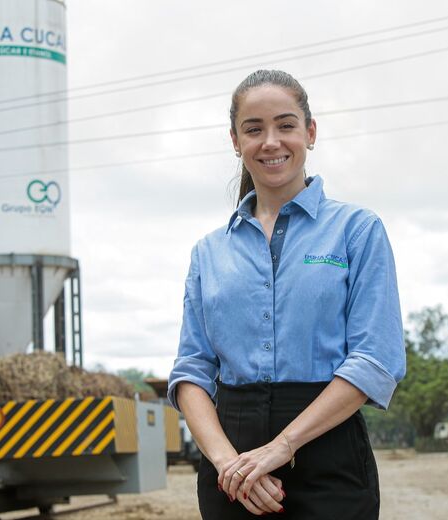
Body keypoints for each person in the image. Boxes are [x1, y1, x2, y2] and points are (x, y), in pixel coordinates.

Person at [167, 70, 406, 519]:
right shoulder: (208, 253)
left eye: (286, 125)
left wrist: (280, 447)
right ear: (235, 141)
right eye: (253, 129)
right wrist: (230, 466)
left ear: (310, 132)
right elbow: (193, 369)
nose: (270, 141)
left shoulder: (357, 231)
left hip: (329, 457)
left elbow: (376, 358)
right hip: (230, 468)